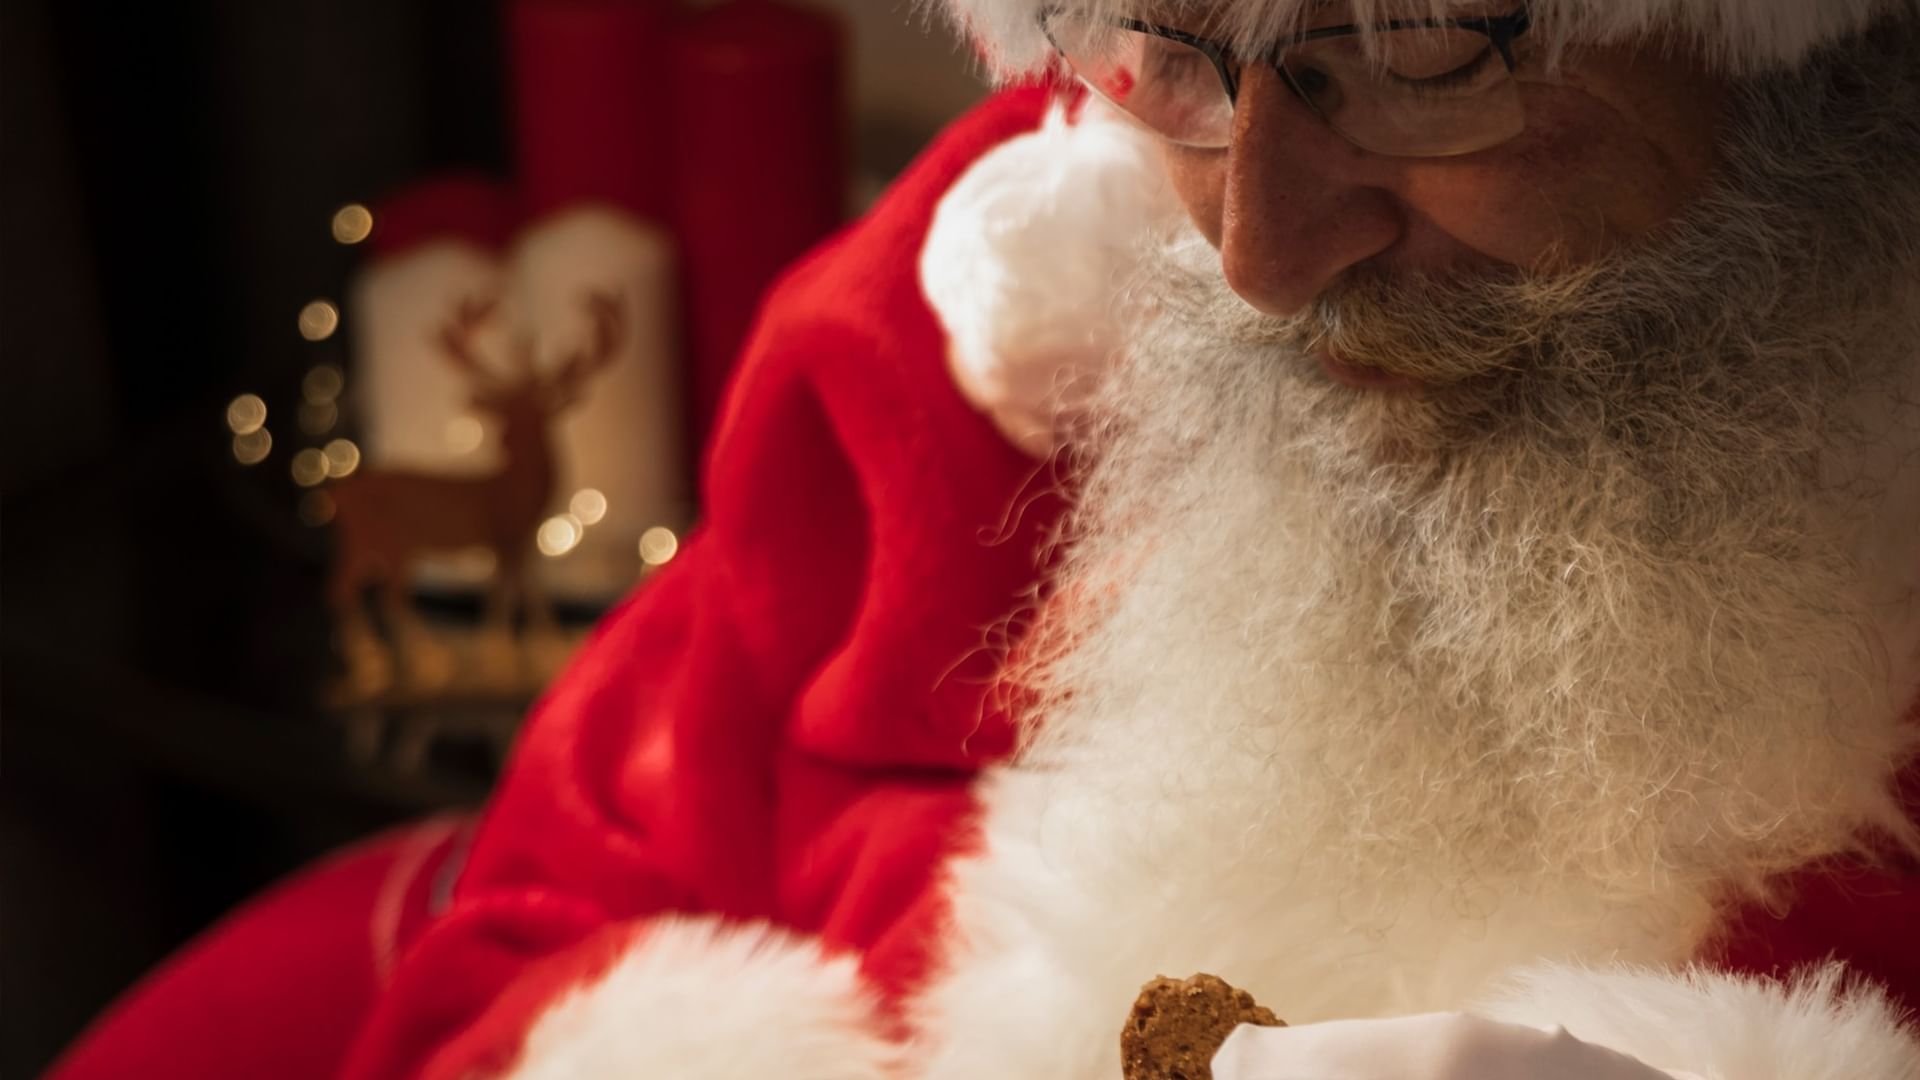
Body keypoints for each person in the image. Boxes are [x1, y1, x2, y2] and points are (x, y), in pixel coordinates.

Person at [52, 1, 1920, 1077]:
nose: (1258, 255)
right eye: (1176, 53)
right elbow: (537, 928)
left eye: (1423, 44)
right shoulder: (981, 332)